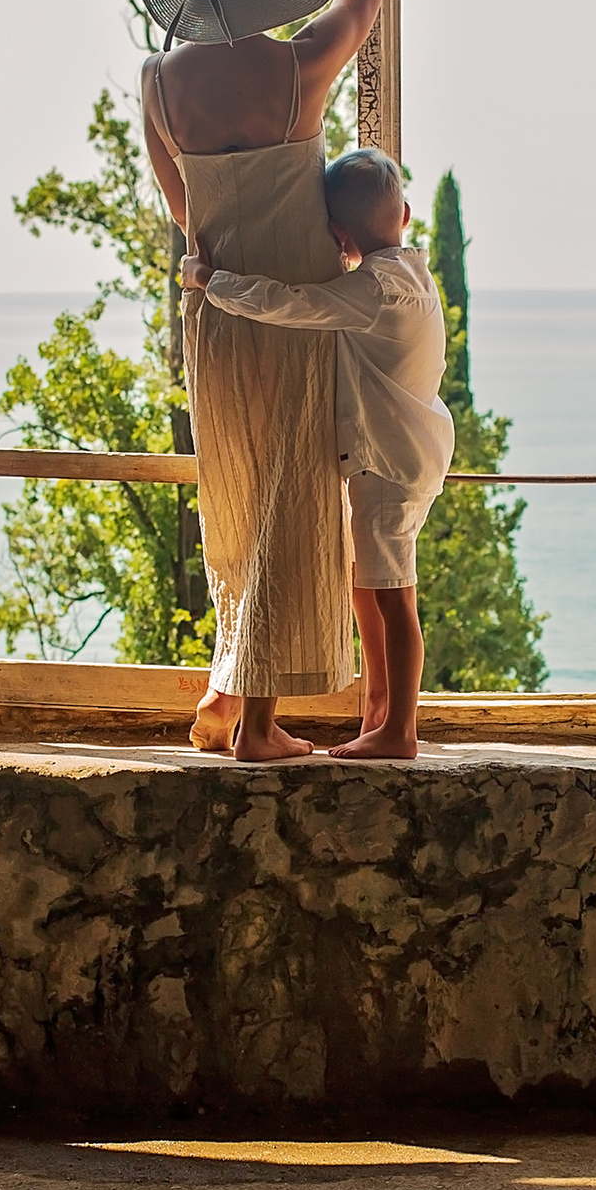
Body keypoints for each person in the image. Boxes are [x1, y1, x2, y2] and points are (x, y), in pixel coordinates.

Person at [139, 0, 393, 763]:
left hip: (214, 314)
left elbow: (182, 217)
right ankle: (254, 728)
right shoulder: (298, 68)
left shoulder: (158, 81)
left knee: (236, 496)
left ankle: (218, 694)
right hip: (293, 300)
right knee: (293, 502)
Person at [185, 147, 454, 762]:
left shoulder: (373, 290)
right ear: (406, 214)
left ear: (337, 234)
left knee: (393, 597)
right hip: (403, 453)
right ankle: (381, 715)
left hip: (385, 463)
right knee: (370, 586)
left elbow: (290, 304)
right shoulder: (413, 275)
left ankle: (399, 731)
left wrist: (209, 281)